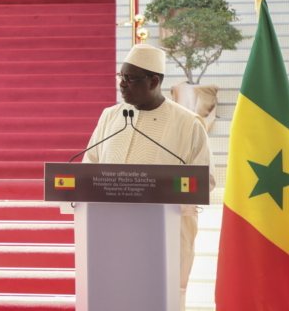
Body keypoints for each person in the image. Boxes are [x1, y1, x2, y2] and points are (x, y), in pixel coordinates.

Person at [83, 43, 216, 311]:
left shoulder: (187, 123)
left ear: (154, 81)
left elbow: (205, 179)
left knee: (158, 298)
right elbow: (89, 166)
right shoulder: (110, 116)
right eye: (120, 77)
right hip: (110, 231)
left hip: (163, 235)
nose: (122, 85)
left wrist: (161, 192)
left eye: (130, 79)